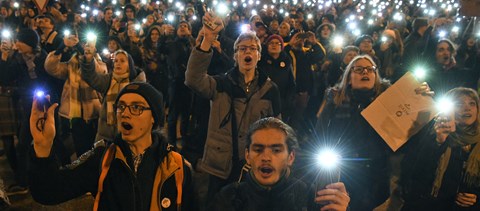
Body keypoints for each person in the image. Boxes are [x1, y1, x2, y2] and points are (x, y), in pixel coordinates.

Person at [29, 82, 195, 210]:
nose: (125, 113)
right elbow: (48, 192)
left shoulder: (176, 167)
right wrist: (43, 146)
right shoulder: (103, 159)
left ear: (154, 118)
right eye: (121, 106)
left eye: (136, 107)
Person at [313, 54, 432, 210]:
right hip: (342, 172)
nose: (365, 72)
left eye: (370, 69)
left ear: (376, 77)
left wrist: (421, 102)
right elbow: (320, 136)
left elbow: (409, 139)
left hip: (376, 175)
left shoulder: (391, 103)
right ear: (349, 77)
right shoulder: (335, 102)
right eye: (359, 69)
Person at [185, 13, 281, 203]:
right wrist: (208, 39)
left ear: (259, 56)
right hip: (219, 166)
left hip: (252, 165)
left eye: (252, 49)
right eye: (242, 48)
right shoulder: (220, 84)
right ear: (235, 55)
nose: (248, 52)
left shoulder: (270, 90)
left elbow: (277, 130)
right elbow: (193, 79)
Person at [209, 117, 350, 210]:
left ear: (291, 157)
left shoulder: (311, 197)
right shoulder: (228, 197)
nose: (266, 157)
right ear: (247, 155)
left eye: (276, 150)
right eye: (258, 149)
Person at [401, 87, 480, 211]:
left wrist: (477, 199)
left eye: (472, 103)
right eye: (459, 104)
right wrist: (438, 142)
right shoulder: (433, 134)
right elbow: (416, 176)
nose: (467, 108)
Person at [81, 49, 146, 141]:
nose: (118, 63)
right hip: (105, 135)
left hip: (129, 134)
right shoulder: (108, 80)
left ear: (129, 65)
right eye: (116, 61)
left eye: (122, 61)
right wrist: (88, 60)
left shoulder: (136, 84)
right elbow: (91, 78)